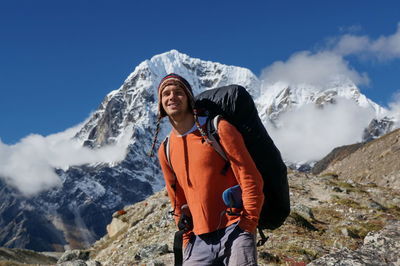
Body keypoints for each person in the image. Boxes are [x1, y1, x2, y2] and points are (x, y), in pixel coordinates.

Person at [151, 73, 264, 265]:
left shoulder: (218, 128)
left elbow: (249, 176)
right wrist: (186, 239)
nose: (172, 97)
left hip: (235, 228)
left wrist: (248, 223)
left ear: (188, 98)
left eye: (178, 92)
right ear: (161, 104)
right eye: (166, 94)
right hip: (197, 238)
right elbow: (177, 199)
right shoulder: (166, 149)